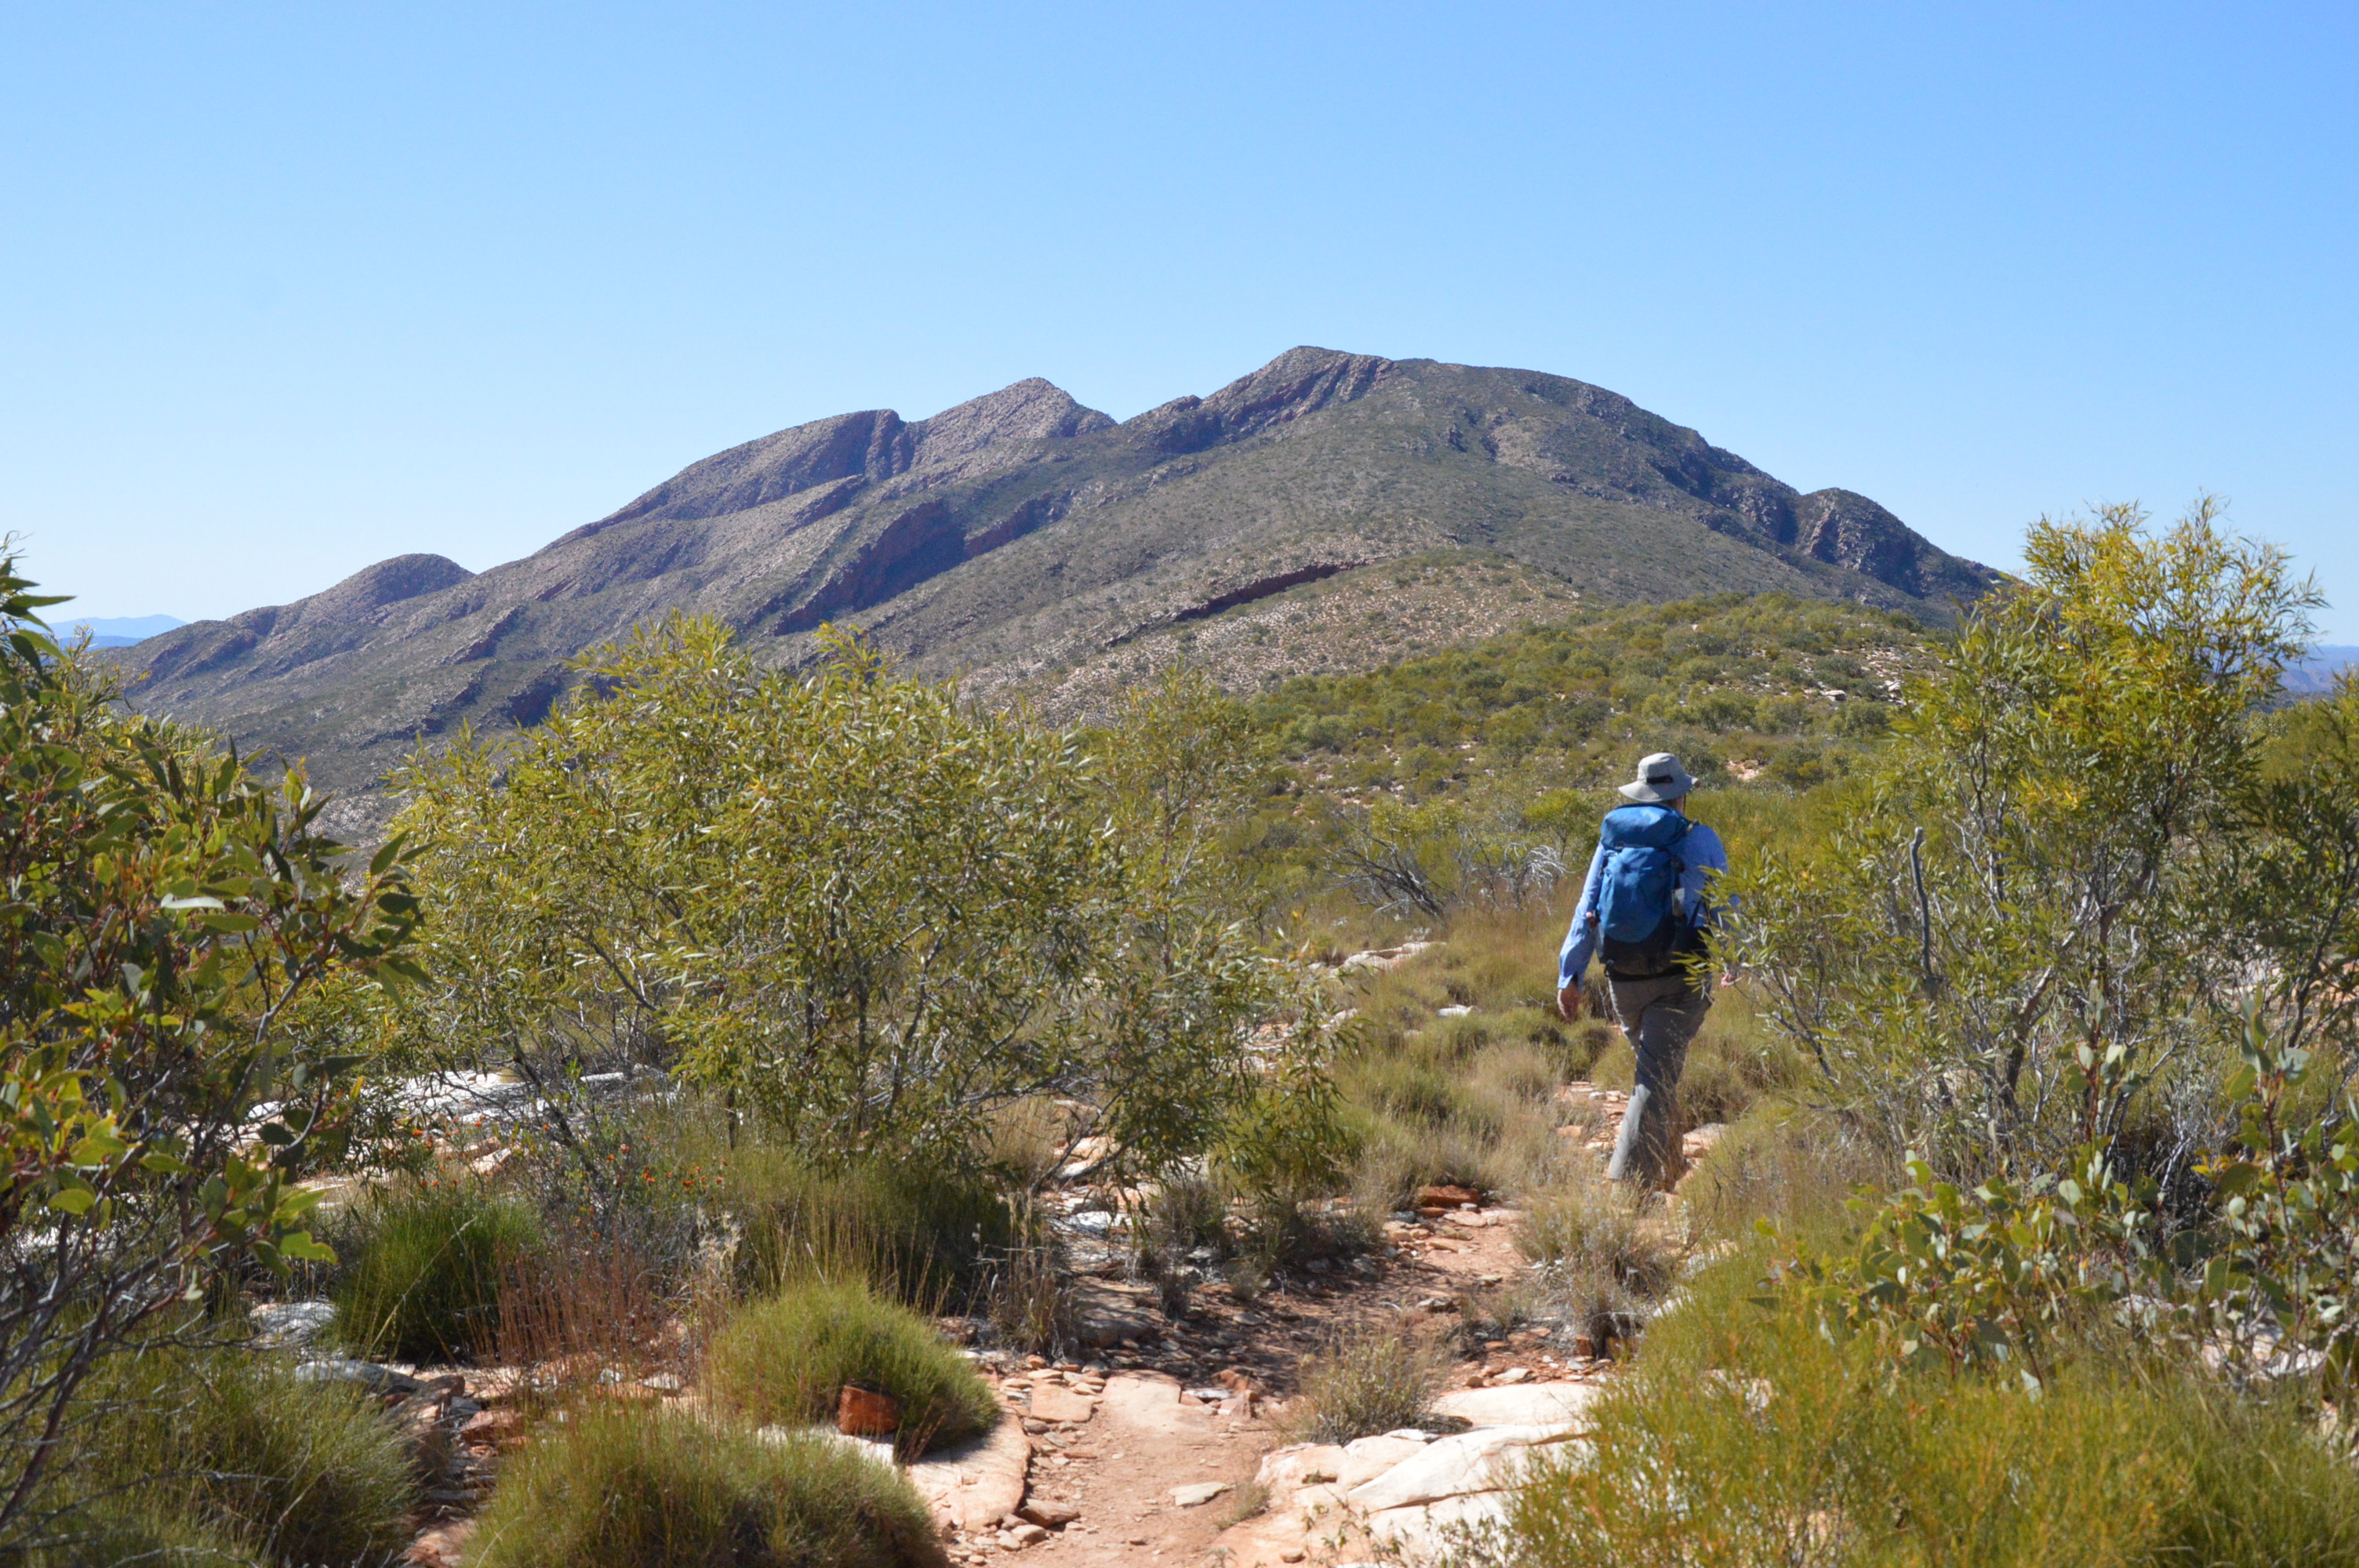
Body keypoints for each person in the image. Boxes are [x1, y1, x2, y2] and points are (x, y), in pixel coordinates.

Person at [1554, 753, 1729, 1189]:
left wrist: (1571, 974)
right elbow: (1726, 904)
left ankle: (1667, 1167)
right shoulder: (1700, 838)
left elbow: (1587, 907)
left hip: (1623, 975)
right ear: (1682, 794)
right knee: (1655, 1076)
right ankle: (1628, 1185)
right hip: (1683, 973)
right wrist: (1738, 958)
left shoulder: (1613, 840)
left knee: (1656, 1072)